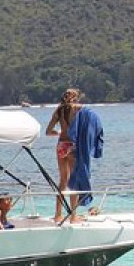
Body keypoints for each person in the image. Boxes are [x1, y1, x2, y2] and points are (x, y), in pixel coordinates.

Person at [45, 88, 83, 222]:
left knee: (63, 181)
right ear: (75, 97)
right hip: (72, 146)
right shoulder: (78, 108)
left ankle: (58, 214)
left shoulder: (58, 110)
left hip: (61, 145)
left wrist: (60, 133)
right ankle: (73, 216)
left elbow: (48, 131)